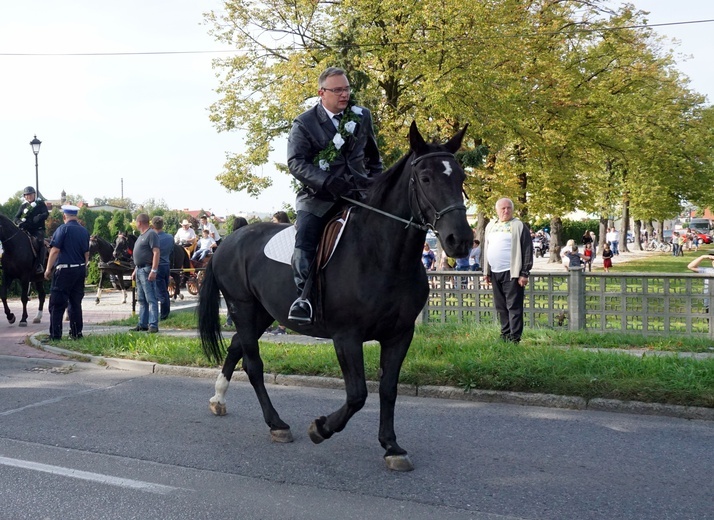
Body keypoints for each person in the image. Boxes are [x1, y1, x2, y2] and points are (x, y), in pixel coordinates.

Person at [286, 66, 382, 323]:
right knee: (305, 237)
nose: (345, 94)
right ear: (321, 92)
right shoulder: (304, 123)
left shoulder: (362, 116)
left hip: (359, 194)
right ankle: (303, 299)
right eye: (338, 90)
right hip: (318, 197)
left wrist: (374, 185)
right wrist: (326, 181)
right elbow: (296, 162)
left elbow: (374, 158)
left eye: (347, 89)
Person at [483, 198, 533, 343]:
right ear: (497, 210)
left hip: (512, 272)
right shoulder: (491, 226)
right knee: (501, 306)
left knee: (514, 306)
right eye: (503, 208)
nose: (506, 211)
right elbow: (486, 248)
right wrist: (486, 272)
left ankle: (514, 337)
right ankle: (505, 334)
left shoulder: (518, 225)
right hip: (495, 272)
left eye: (509, 208)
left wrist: (524, 273)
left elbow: (527, 250)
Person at [44, 205, 90, 340]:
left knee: (57, 304)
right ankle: (76, 333)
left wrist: (48, 269)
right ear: (76, 216)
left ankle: (55, 335)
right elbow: (87, 253)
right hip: (80, 269)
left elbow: (55, 250)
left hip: (64, 270)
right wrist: (84, 267)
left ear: (65, 216)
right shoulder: (84, 231)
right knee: (75, 303)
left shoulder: (62, 229)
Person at [131, 213, 160, 333]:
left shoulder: (151, 234)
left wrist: (154, 269)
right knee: (142, 299)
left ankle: (153, 324)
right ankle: (142, 323)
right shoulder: (141, 236)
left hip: (147, 269)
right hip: (139, 269)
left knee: (151, 298)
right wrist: (135, 270)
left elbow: (156, 252)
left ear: (139, 222)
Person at [14, 185, 49, 275]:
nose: (28, 196)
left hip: (37, 230)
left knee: (39, 242)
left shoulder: (40, 204)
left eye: (30, 194)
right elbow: (16, 217)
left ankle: (40, 264)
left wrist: (39, 217)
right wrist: (19, 222)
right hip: (25, 230)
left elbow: (46, 213)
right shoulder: (23, 206)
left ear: (34, 195)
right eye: (26, 195)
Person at [152, 216, 174, 321]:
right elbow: (171, 251)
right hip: (166, 265)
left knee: (161, 293)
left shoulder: (154, 238)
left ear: (152, 225)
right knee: (164, 290)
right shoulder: (170, 237)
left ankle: (164, 315)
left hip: (158, 266)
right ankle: (166, 312)